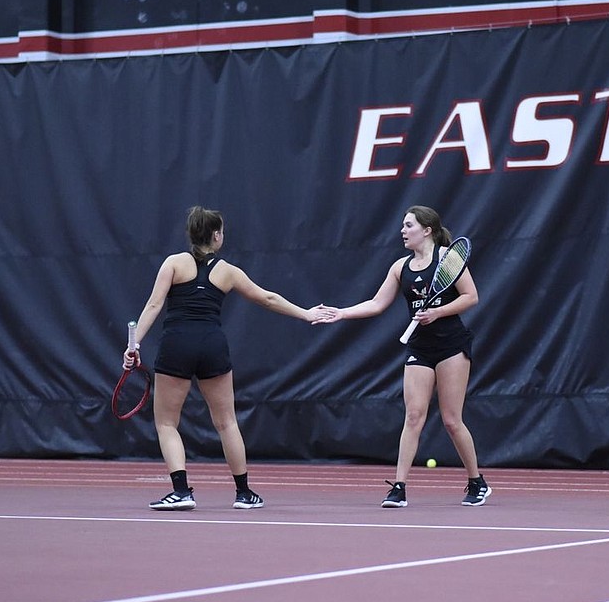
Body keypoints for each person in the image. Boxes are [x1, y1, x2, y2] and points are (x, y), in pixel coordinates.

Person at [123, 206, 334, 511]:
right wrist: (306, 314)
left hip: (177, 345)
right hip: (212, 345)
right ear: (216, 236)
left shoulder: (173, 264)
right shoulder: (228, 271)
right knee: (226, 422)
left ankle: (181, 492)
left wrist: (134, 345)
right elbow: (267, 298)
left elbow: (154, 305)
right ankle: (244, 493)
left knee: (167, 423)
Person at [318, 205, 490, 508]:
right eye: (402, 225)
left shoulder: (448, 259)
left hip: (452, 346)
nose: (402, 230)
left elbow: (470, 297)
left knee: (451, 420)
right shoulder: (400, 267)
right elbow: (376, 303)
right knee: (413, 416)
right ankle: (398, 487)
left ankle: (476, 482)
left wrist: (438, 311)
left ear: (427, 230)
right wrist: (341, 313)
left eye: (408, 225)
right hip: (419, 348)